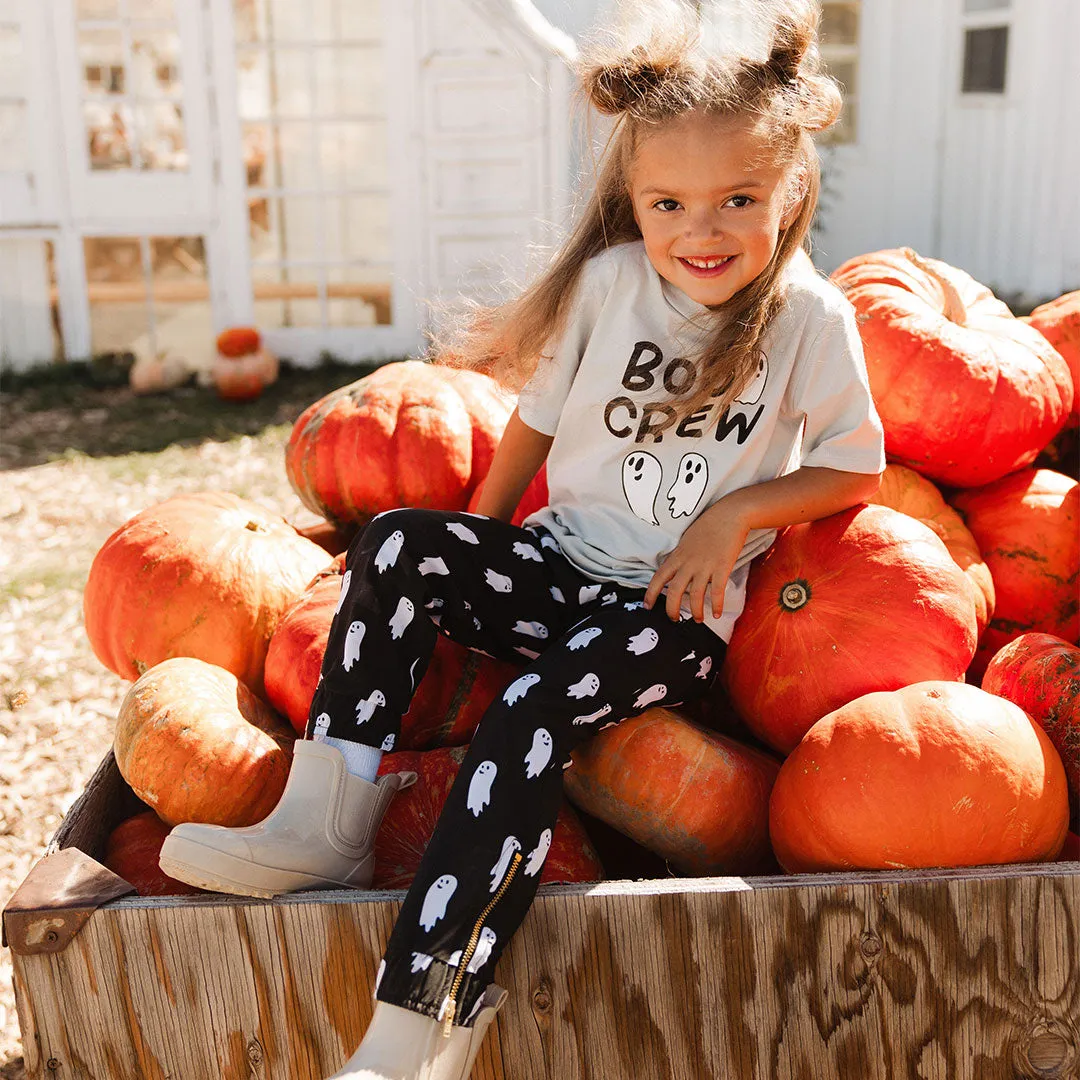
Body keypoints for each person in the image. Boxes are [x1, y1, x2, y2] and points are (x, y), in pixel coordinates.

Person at [159, 1, 886, 1076]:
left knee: (526, 717)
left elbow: (856, 465)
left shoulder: (809, 323)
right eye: (668, 203)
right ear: (633, 202)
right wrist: (473, 540)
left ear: (792, 191)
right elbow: (537, 423)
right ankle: (329, 813)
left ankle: (427, 1014)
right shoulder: (610, 289)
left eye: (740, 199)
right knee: (403, 544)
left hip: (670, 615)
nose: (704, 231)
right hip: (561, 565)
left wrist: (733, 514)